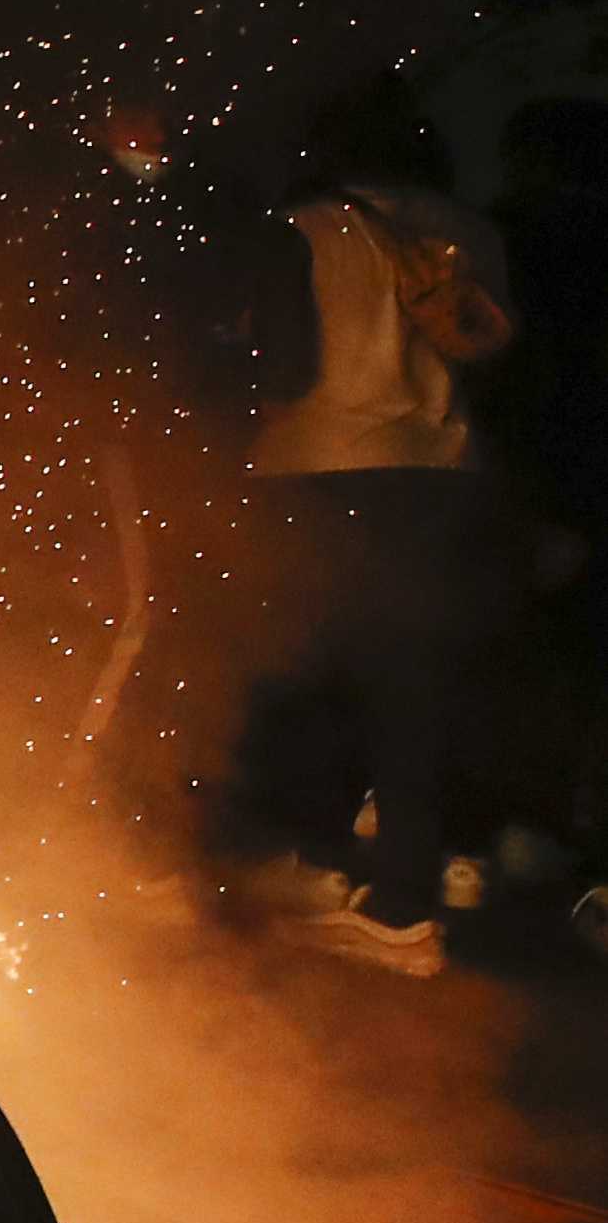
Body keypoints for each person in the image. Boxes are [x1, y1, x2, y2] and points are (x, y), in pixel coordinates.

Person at [222, 111, 519, 975]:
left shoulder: (302, 231)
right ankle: (403, 902)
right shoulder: (466, 231)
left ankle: (311, 865)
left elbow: (282, 370)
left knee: (305, 671)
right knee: (410, 687)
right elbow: (493, 352)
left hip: (321, 469)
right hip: (442, 472)